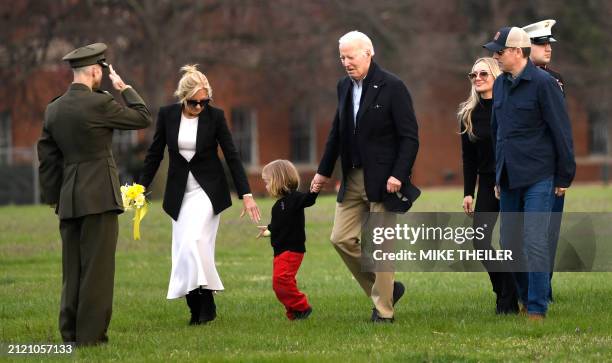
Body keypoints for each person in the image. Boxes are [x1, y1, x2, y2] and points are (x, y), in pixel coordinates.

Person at [37, 43, 152, 345]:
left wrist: (54, 198)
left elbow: (48, 160)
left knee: (72, 268)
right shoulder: (99, 104)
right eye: (100, 70)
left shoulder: (54, 108)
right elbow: (142, 117)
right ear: (93, 71)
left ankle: (69, 332)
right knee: (97, 271)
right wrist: (124, 88)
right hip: (99, 196)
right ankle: (90, 337)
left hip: (69, 199)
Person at [139, 65, 260, 325]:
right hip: (179, 194)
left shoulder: (215, 117)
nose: (200, 107)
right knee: (186, 250)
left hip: (208, 192)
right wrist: (140, 187)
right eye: (194, 102)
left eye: (205, 102)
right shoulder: (168, 115)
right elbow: (154, 154)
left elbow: (232, 154)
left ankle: (205, 307)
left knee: (195, 241)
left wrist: (246, 193)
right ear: (184, 97)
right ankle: (198, 308)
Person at [310, 31, 419, 322]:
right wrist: (322, 171)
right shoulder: (343, 87)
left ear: (368, 53)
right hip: (352, 178)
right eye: (342, 57)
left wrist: (398, 174)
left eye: (351, 56)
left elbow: (410, 138)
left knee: (382, 248)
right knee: (341, 238)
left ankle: (384, 312)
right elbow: (337, 132)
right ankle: (388, 289)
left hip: (384, 180)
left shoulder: (393, 86)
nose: (346, 62)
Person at [483, 27, 576, 320]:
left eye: (499, 51)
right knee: (509, 243)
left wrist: (564, 176)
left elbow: (561, 132)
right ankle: (525, 298)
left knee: (534, 240)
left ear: (516, 52)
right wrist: (498, 176)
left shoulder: (544, 84)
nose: (495, 56)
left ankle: (537, 308)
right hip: (509, 177)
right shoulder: (499, 86)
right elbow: (499, 135)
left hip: (540, 176)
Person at [458, 57, 518, 314]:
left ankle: (510, 300)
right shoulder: (468, 114)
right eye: (473, 75)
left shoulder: (510, 107)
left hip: (513, 181)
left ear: (496, 75)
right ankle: (503, 291)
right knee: (480, 241)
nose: (478, 78)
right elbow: (468, 158)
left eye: (483, 73)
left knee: (511, 242)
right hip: (486, 183)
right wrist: (468, 193)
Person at [523, 19, 567, 302]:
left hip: (550, 169)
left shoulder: (556, 79)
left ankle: (543, 290)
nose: (547, 48)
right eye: (541, 43)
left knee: (549, 233)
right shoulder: (511, 81)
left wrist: (563, 172)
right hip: (525, 169)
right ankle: (524, 292)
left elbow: (561, 130)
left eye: (549, 43)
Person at [256, 159, 318, 320]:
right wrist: (268, 229)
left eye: (267, 182)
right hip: (279, 251)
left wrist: (314, 189)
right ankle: (294, 312)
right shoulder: (278, 206)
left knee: (281, 280)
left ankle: (302, 307)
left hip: (292, 250)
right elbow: (278, 225)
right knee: (281, 283)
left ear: (279, 180)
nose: (266, 186)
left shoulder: (295, 199)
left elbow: (309, 200)